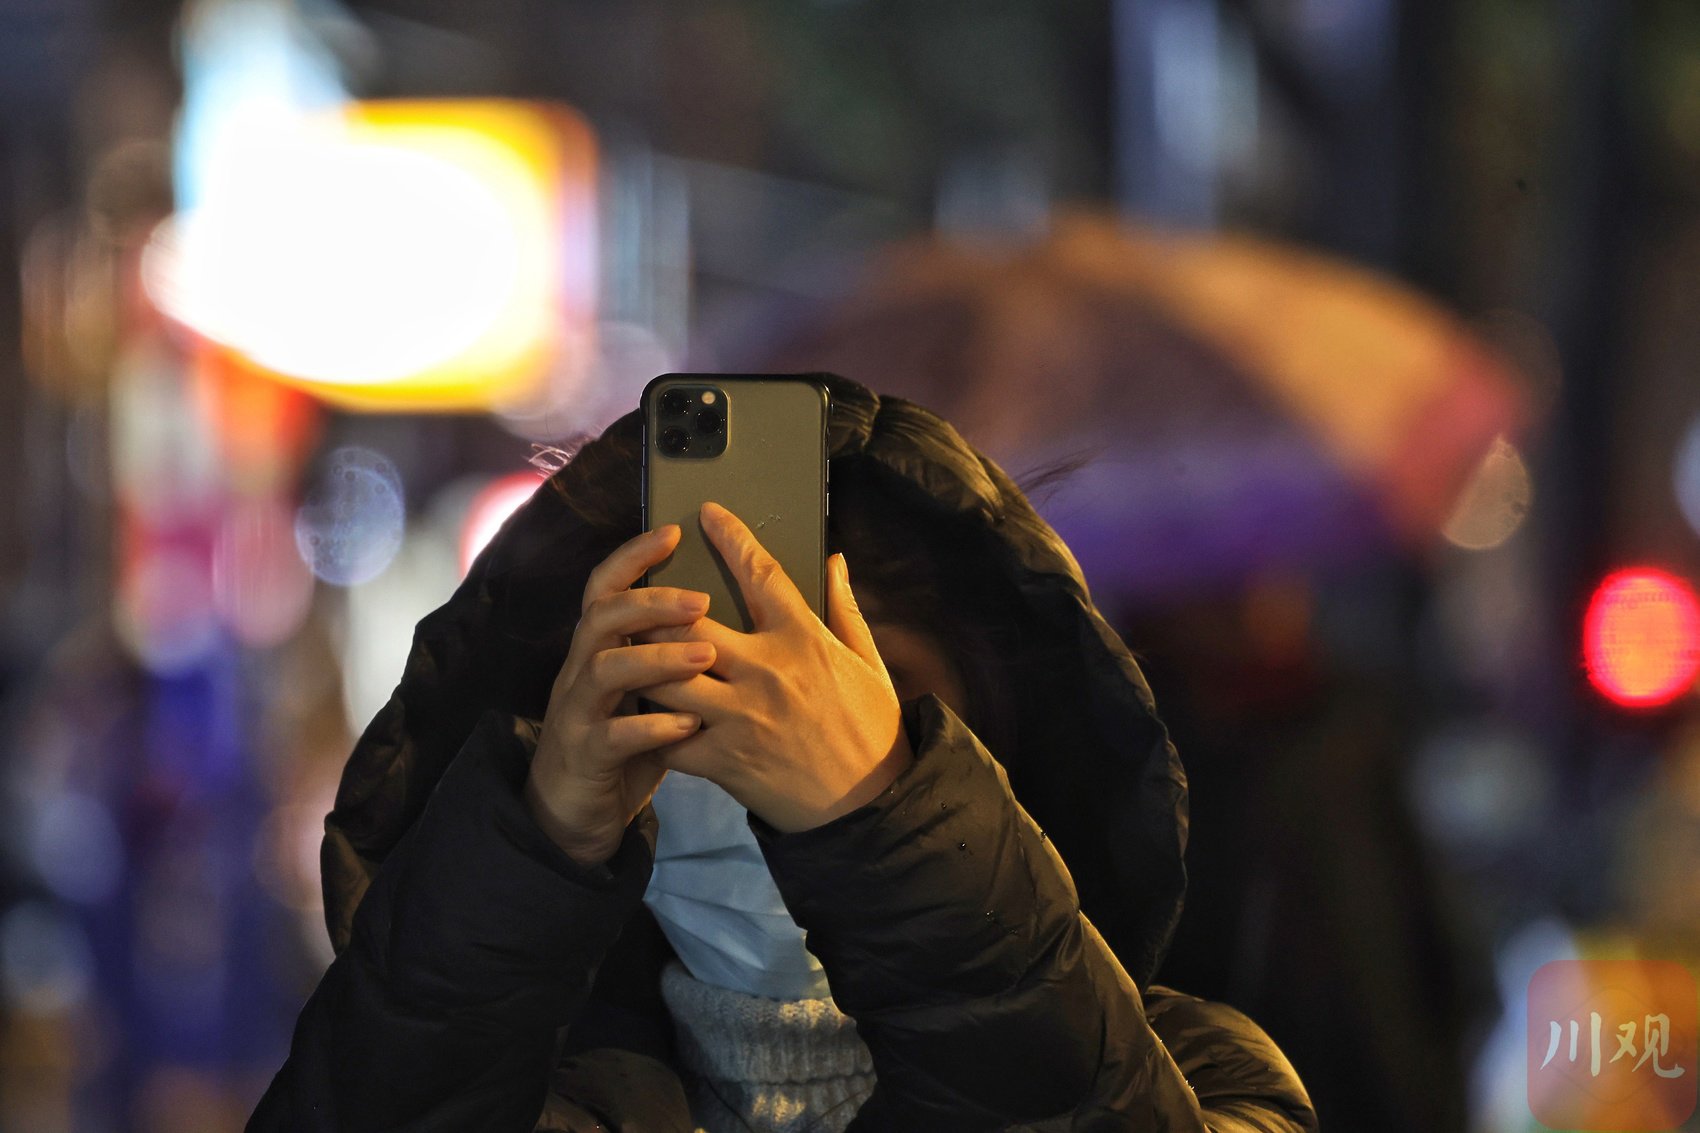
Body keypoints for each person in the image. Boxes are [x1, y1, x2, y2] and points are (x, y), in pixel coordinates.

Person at [248, 374, 1316, 1131]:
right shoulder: (543, 1090)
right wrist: (535, 842)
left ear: (989, 760)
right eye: (700, 680)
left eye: (871, 701)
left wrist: (880, 818)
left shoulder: (1200, 1077)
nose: (767, 750)